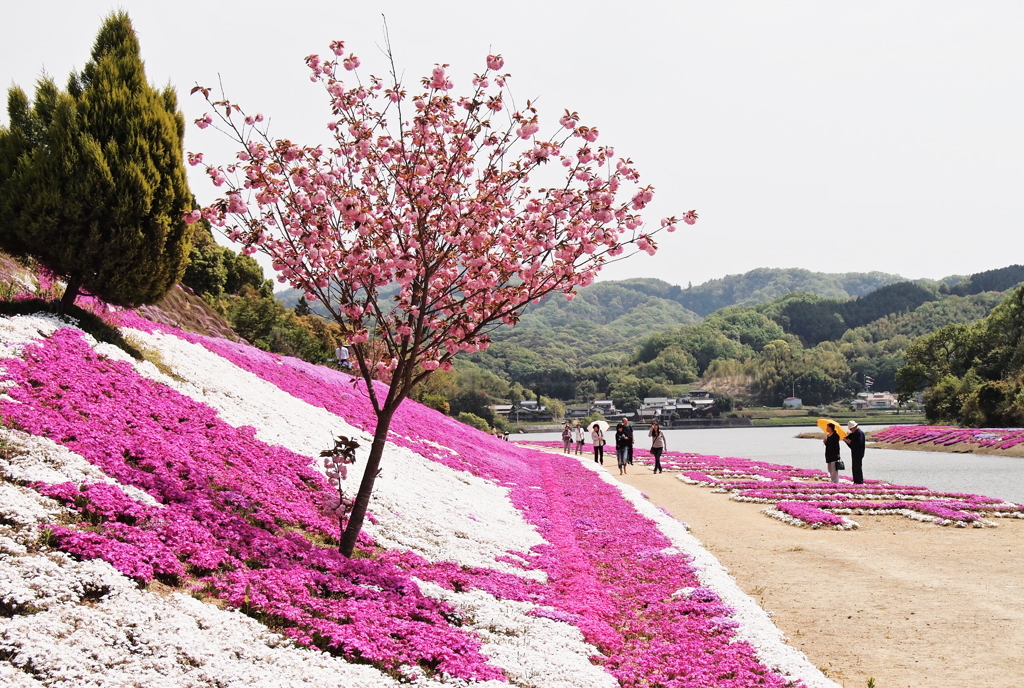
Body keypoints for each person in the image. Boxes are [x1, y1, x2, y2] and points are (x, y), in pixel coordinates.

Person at [844, 420, 866, 484]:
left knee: (858, 468)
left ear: (854, 427)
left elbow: (859, 444)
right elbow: (850, 443)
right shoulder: (853, 434)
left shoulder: (859, 433)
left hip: (858, 453)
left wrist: (850, 442)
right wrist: (846, 440)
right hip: (854, 453)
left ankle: (859, 482)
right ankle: (856, 481)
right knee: (854, 467)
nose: (850, 430)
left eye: (851, 429)